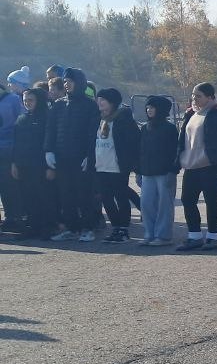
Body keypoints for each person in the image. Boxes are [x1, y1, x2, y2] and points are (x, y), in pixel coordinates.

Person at [176, 83, 217, 251]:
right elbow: (183, 140)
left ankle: (212, 237)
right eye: (194, 95)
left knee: (211, 201)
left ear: (210, 97)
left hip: (211, 166)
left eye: (199, 96)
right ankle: (194, 236)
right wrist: (178, 159)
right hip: (192, 165)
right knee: (187, 200)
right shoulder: (191, 114)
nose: (195, 98)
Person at [44, 68, 100, 242]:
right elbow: (50, 130)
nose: (66, 84)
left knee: (84, 195)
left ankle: (87, 228)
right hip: (62, 157)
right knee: (65, 195)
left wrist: (90, 156)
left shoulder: (90, 105)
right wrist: (48, 150)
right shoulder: (58, 105)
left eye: (70, 81)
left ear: (79, 83)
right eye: (65, 81)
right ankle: (71, 227)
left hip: (81, 158)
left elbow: (93, 133)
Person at [93, 88, 140, 243]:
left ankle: (124, 229)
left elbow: (132, 143)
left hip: (117, 167)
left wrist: (129, 163)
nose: (99, 102)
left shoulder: (123, 119)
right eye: (98, 99)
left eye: (103, 100)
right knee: (106, 198)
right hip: (101, 166)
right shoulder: (100, 119)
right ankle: (115, 227)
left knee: (121, 197)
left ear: (112, 102)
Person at [10, 86, 55, 239]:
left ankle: (47, 227)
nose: (27, 103)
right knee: (27, 198)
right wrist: (14, 163)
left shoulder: (47, 118)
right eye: (25, 100)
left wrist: (51, 167)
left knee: (44, 197)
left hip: (41, 166)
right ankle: (33, 227)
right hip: (23, 165)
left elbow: (51, 143)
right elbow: (16, 143)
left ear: (39, 101)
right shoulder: (21, 119)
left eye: (30, 100)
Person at [136, 95, 179, 246]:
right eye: (147, 107)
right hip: (147, 172)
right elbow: (140, 150)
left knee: (164, 205)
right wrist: (138, 171)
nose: (148, 110)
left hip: (164, 172)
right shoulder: (144, 128)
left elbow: (175, 152)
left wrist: (173, 171)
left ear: (160, 109)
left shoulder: (170, 129)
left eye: (152, 107)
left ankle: (163, 236)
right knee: (146, 204)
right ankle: (149, 233)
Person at [1, 66, 32, 231]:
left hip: (9, 149)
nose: (10, 84)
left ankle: (17, 217)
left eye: (11, 82)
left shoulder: (12, 100)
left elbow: (20, 124)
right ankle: (9, 216)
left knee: (11, 186)